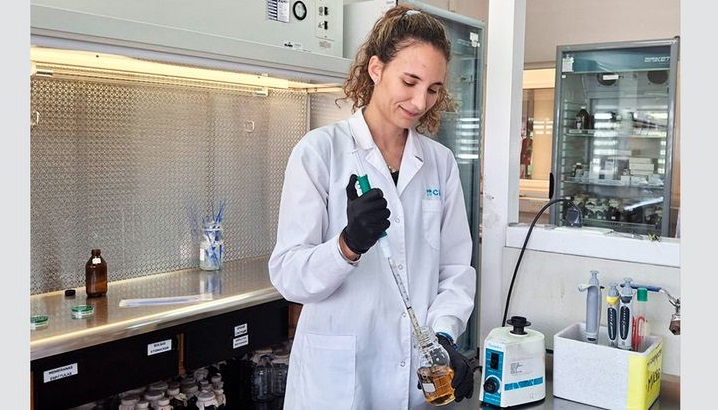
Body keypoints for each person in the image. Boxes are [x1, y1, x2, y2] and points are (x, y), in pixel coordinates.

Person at [268, 4, 476, 409]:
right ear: (376, 68)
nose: (420, 101)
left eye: (433, 89)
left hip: (414, 382)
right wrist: (347, 245)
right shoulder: (320, 152)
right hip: (336, 386)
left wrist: (444, 338)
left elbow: (454, 270)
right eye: (410, 81)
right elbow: (289, 275)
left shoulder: (440, 163)